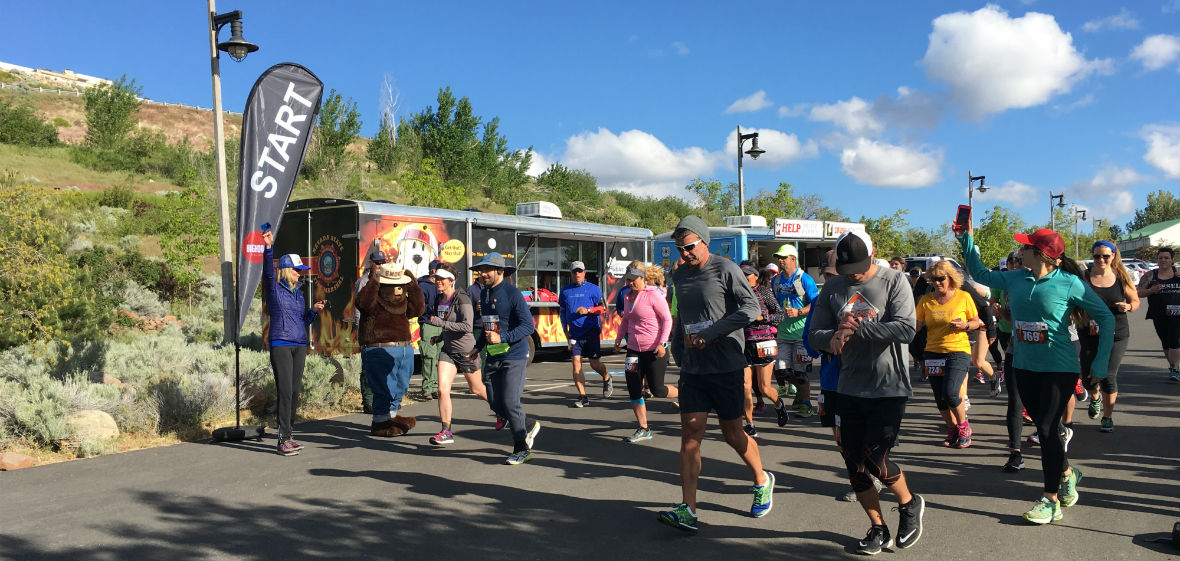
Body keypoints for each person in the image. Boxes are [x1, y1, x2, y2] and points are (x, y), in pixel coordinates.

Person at [958, 226, 1113, 525]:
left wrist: (1101, 364)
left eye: (1026, 247)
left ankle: (1050, 500)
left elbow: (1105, 318)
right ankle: (1068, 474)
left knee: (1045, 429)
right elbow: (979, 272)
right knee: (1048, 431)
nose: (1020, 251)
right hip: (1024, 365)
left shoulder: (1069, 283)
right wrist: (965, 238)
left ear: (1041, 254)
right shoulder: (1016, 277)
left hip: (1059, 367)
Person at [809, 229, 925, 554]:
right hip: (848, 386)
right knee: (854, 464)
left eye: (858, 268)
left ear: (871, 257)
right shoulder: (832, 287)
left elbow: (906, 328)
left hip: (889, 385)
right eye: (846, 270)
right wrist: (831, 337)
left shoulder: (894, 281)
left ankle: (909, 503)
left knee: (876, 459)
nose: (853, 275)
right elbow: (814, 333)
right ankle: (878, 527)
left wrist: (859, 326)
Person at [658, 215, 774, 533]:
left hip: (726, 367)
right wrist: (678, 352)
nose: (684, 253)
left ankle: (762, 480)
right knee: (690, 437)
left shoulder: (725, 268)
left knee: (732, 434)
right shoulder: (679, 274)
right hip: (694, 369)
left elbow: (752, 308)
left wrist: (713, 333)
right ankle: (688, 509)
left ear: (705, 242)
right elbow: (681, 315)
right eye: (680, 248)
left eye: (690, 247)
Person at [471, 252, 542, 465]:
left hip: (514, 356)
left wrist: (503, 337)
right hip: (493, 355)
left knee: (511, 402)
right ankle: (527, 424)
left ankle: (521, 448)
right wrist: (477, 347)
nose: (481, 274)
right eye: (480, 270)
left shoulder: (512, 294)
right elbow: (488, 325)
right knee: (495, 403)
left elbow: (528, 326)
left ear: (500, 271)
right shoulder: (483, 294)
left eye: (486, 270)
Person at [260, 231, 325, 456]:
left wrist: (313, 312)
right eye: (298, 270)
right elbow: (268, 272)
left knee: (295, 391)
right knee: (285, 391)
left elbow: (302, 320)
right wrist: (268, 248)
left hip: (299, 344)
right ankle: (281, 439)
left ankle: (289, 435)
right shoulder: (273, 288)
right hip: (280, 343)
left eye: (302, 271)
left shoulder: (299, 294)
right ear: (288, 270)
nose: (300, 274)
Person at [915, 261, 980, 448]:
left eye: (941, 279)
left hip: (957, 351)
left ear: (951, 278)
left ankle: (964, 427)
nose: (937, 283)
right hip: (933, 352)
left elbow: (975, 322)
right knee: (939, 398)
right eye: (933, 279)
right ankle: (952, 429)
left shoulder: (963, 297)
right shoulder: (926, 301)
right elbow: (916, 326)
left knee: (951, 393)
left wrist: (965, 325)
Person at [356, 260, 424, 438]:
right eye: (393, 286)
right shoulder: (373, 299)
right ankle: (379, 422)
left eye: (401, 286)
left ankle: (391, 417)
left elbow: (417, 309)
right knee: (383, 388)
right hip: (379, 348)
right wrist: (373, 282)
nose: (398, 290)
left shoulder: (402, 301)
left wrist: (414, 286)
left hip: (403, 349)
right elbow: (362, 303)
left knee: (400, 387)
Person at [1079, 241, 1139, 433]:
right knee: (1088, 377)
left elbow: (1135, 300)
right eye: (1097, 256)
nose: (1101, 260)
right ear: (1093, 256)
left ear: (1113, 256)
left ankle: (1107, 417)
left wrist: (1129, 307)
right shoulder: (1085, 277)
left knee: (1108, 375)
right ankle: (1095, 397)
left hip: (1116, 334)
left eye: (1106, 256)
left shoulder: (1121, 276)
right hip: (1089, 333)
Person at [427, 263, 489, 445]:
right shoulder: (439, 299)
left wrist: (441, 324)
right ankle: (446, 431)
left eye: (441, 279)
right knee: (442, 389)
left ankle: (504, 412)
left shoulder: (462, 299)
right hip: (448, 350)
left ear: (451, 281)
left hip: (466, 351)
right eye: (436, 279)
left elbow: (467, 327)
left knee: (477, 389)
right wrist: (439, 338)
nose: (438, 282)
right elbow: (447, 323)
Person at [614, 265, 676, 442]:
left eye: (633, 279)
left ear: (643, 278)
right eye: (628, 279)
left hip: (654, 349)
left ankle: (685, 395)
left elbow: (666, 319)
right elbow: (626, 320)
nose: (630, 282)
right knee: (634, 389)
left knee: (658, 390)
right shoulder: (627, 296)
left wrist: (662, 343)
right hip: (633, 350)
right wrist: (619, 340)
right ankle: (643, 428)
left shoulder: (653, 294)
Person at [770, 243, 820, 417]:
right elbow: (774, 303)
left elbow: (816, 303)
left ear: (793, 259)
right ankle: (801, 393)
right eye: (779, 258)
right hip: (783, 333)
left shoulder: (805, 279)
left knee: (800, 373)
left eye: (784, 258)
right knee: (781, 371)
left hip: (801, 334)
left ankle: (806, 403)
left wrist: (799, 311)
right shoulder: (775, 280)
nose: (780, 261)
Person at [739, 262, 788, 435]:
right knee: (745, 386)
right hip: (743, 343)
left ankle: (778, 404)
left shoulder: (764, 292)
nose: (743, 277)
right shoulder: (736, 293)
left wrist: (763, 317)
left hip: (764, 341)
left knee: (764, 387)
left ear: (755, 276)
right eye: (741, 274)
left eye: (746, 274)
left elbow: (780, 315)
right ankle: (750, 424)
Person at [559, 260, 612, 407]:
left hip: (591, 332)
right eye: (575, 271)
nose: (577, 274)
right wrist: (565, 330)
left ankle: (607, 377)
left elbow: (603, 309)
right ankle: (583, 397)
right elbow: (562, 311)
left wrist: (588, 310)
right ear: (571, 273)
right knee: (576, 365)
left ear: (584, 273)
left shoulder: (594, 289)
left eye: (580, 271)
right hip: (574, 334)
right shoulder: (565, 291)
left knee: (595, 364)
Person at [1138, 247, 1179, 381]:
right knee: (1166, 342)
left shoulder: (1178, 273)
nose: (1163, 260)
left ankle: (1175, 368)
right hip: (1158, 313)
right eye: (1160, 257)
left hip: (1177, 313)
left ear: (1172, 260)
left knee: (1175, 340)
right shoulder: (1150, 276)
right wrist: (1152, 290)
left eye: (1166, 258)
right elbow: (1138, 293)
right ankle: (1173, 366)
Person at [354, 245, 386, 414]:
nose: (380, 266)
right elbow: (358, 308)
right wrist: (361, 328)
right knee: (368, 367)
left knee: (381, 366)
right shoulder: (364, 282)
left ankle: (379, 400)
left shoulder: (383, 281)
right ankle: (368, 401)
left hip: (381, 330)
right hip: (368, 329)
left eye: (382, 263)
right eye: (377, 263)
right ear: (371, 263)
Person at [417, 260, 443, 399]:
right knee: (429, 357)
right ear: (433, 271)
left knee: (439, 357)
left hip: (441, 325)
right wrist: (433, 309)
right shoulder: (423, 286)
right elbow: (420, 307)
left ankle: (435, 387)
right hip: (428, 324)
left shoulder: (441, 285)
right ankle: (427, 388)